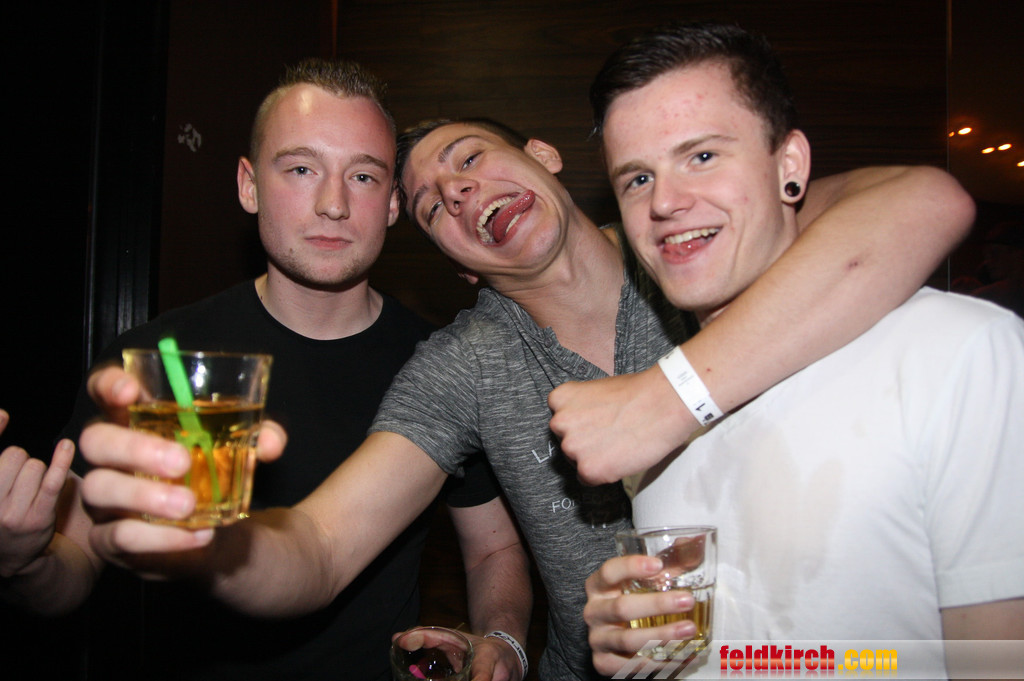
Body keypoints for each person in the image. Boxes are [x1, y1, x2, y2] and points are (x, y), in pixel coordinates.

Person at [77, 106, 974, 680]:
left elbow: (923, 201)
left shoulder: (690, 251)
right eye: (434, 207)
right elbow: (320, 544)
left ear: (542, 156)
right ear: (457, 261)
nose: (459, 191)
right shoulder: (463, 363)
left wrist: (666, 398)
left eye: (470, 158)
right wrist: (216, 543)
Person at [5, 59, 531, 681]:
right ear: (249, 185)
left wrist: (503, 639)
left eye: (363, 176)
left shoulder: (445, 365)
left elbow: (494, 548)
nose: (334, 205)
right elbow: (72, 570)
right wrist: (23, 560)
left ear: (393, 202)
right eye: (302, 169)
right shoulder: (157, 360)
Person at [571, 22, 1024, 677]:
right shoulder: (648, 421)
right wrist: (633, 647)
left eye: (702, 156)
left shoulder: (960, 351)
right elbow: (736, 651)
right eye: (638, 178)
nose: (664, 202)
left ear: (789, 167)